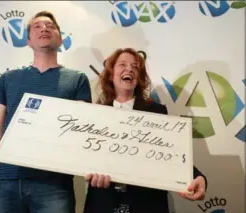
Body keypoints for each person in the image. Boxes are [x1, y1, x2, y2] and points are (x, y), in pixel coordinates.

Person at [0, 11, 91, 213]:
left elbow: (80, 134)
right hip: (3, 182)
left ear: (60, 39)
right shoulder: (8, 78)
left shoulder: (77, 79)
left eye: (50, 26)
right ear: (28, 41)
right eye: (37, 26)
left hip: (53, 184)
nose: (44, 28)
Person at [83, 48, 207, 213]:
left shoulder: (157, 112)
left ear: (139, 78)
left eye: (135, 67)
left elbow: (171, 153)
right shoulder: (95, 114)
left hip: (146, 202)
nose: (129, 69)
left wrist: (196, 176)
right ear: (111, 74)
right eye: (122, 65)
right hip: (103, 201)